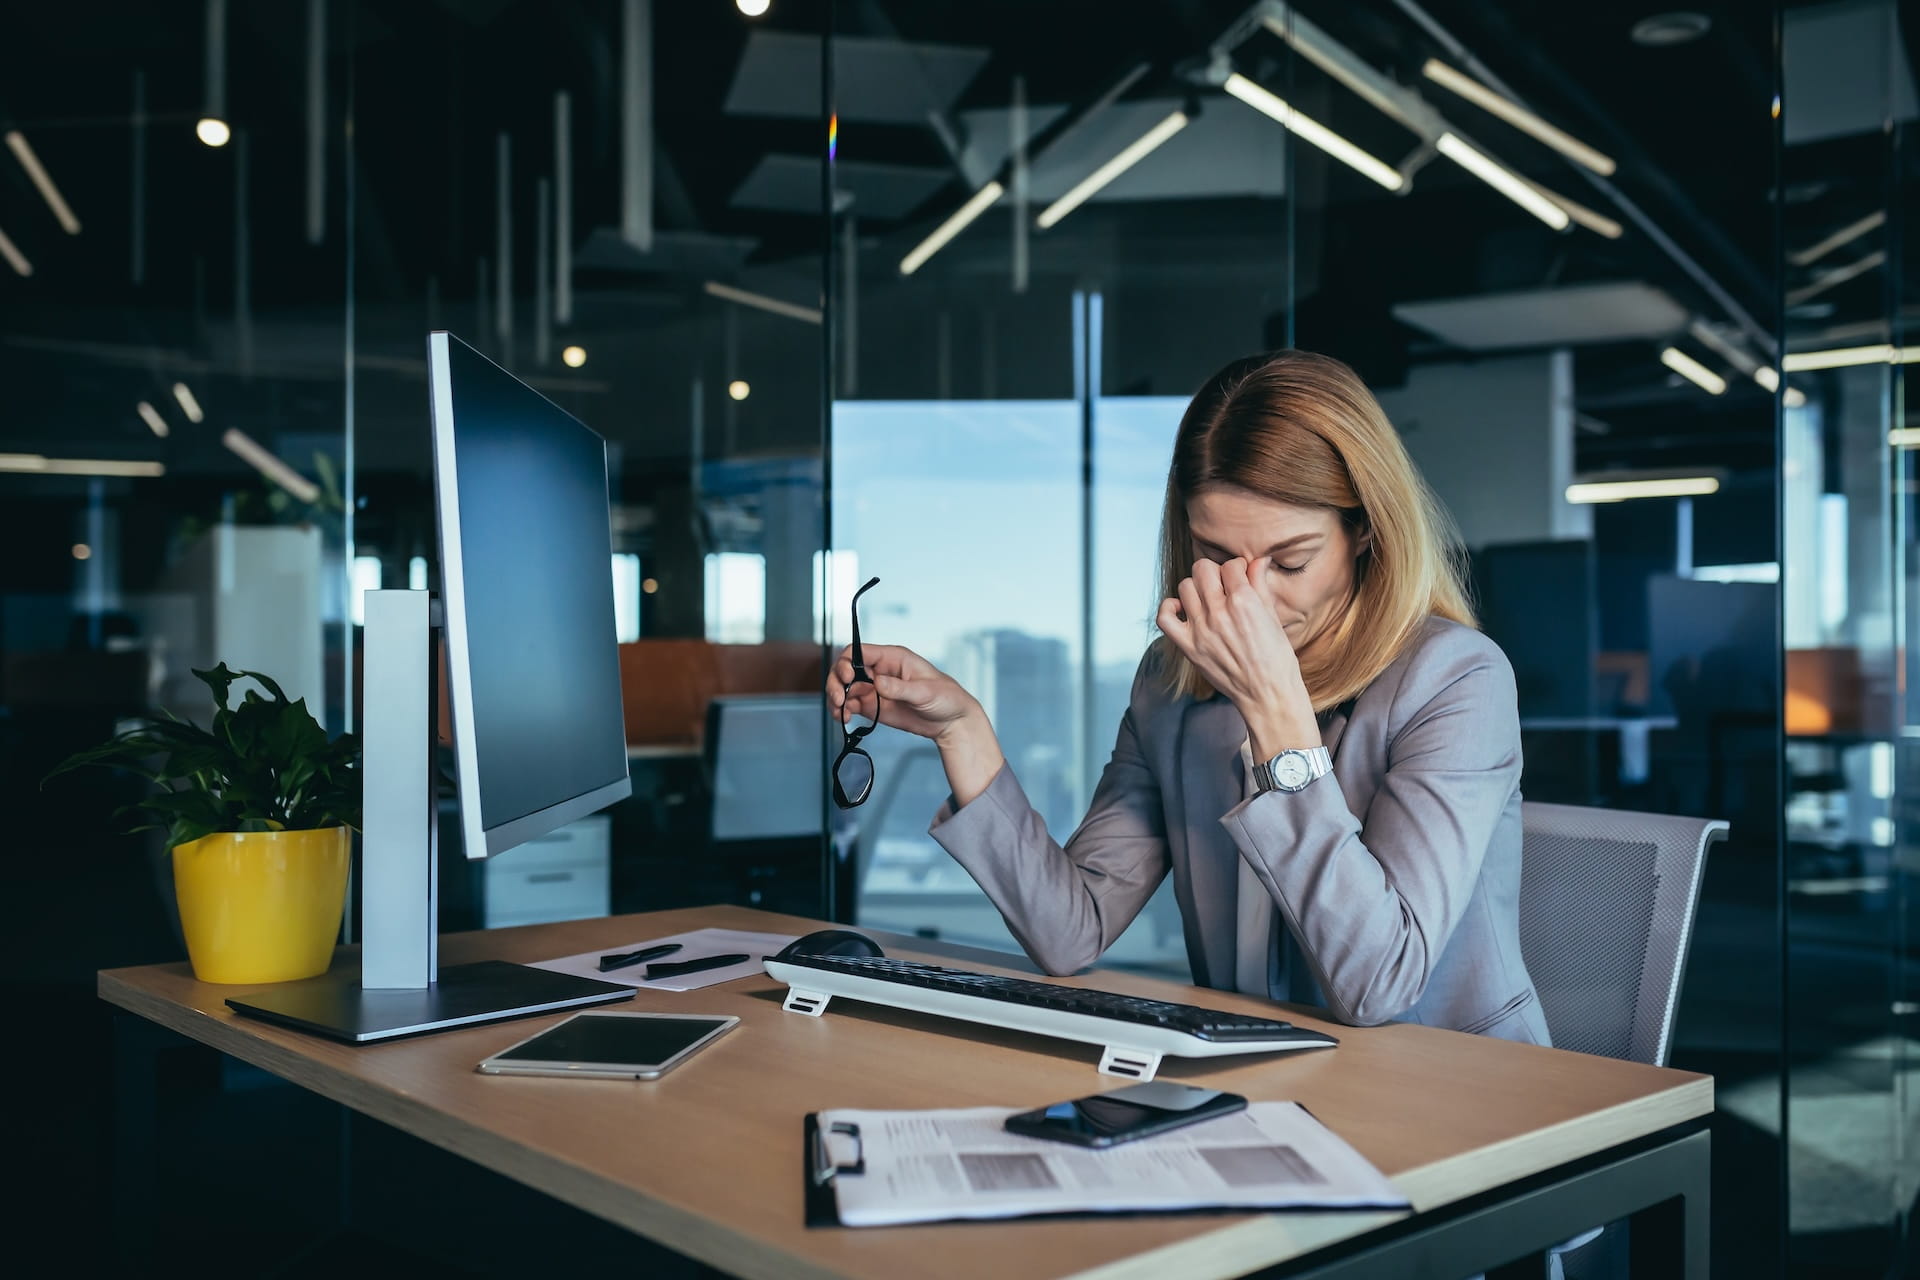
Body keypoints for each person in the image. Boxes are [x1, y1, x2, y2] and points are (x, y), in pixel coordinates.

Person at [828, 349, 1548, 1044]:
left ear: (1363, 529)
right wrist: (965, 733)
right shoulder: (1171, 685)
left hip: (1448, 1086)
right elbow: (1069, 931)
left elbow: (1380, 982)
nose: (1249, 600)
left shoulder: (1457, 680)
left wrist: (1276, 719)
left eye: (1290, 562)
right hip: (1260, 1074)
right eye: (1216, 558)